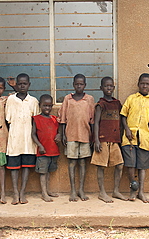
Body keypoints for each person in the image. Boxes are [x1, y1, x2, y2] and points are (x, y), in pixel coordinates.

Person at [58, 73, 95, 202]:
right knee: (72, 162)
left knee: (83, 163)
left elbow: (92, 120)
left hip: (85, 135)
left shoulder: (89, 99)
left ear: (85, 85)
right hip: (71, 135)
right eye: (77, 84)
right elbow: (62, 118)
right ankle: (73, 190)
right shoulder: (68, 99)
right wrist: (62, 134)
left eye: (81, 84)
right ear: (73, 85)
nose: (79, 86)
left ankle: (81, 190)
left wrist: (93, 137)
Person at [120, 73, 149, 203]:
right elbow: (123, 115)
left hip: (144, 138)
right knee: (130, 164)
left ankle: (141, 191)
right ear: (138, 84)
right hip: (130, 137)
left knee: (142, 166)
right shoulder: (131, 98)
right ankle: (132, 189)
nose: (144, 86)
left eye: (147, 84)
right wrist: (127, 129)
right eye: (142, 83)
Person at [92, 77, 127, 203]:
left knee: (119, 164)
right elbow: (95, 123)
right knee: (101, 166)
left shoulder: (117, 103)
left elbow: (122, 119)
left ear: (114, 87)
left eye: (111, 86)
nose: (109, 88)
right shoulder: (100, 105)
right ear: (101, 88)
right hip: (102, 139)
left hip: (115, 140)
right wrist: (96, 140)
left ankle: (116, 190)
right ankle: (102, 192)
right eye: (106, 86)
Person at [5, 73, 39, 205]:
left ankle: (22, 192)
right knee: (14, 167)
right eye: (20, 83)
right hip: (14, 139)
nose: (22, 86)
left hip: (28, 140)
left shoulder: (33, 101)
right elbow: (8, 119)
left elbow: (35, 122)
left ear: (29, 85)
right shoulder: (11, 100)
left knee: (26, 166)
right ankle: (15, 193)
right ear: (16, 85)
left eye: (25, 83)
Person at [31, 94, 61, 202]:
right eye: (45, 106)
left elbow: (59, 130)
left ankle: (48, 190)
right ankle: (43, 193)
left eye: (49, 106)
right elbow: (33, 134)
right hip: (43, 151)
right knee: (43, 173)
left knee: (48, 172)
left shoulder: (54, 119)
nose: (47, 108)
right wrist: (39, 145)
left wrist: (59, 135)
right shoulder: (36, 119)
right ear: (40, 105)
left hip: (53, 151)